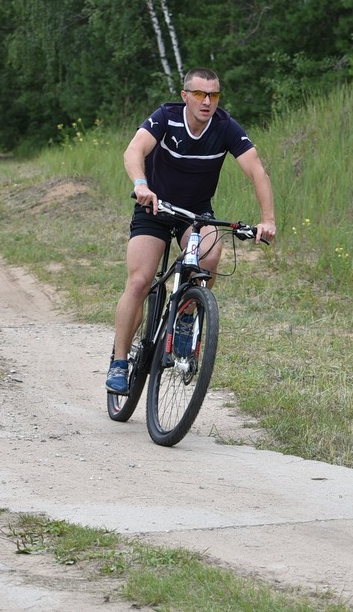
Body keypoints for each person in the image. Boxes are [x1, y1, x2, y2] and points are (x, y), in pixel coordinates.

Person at [106, 67, 276, 394]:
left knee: (211, 254)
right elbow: (134, 150)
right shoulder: (166, 118)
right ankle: (120, 361)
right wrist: (141, 185)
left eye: (213, 95)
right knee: (140, 281)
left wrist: (267, 219)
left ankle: (186, 318)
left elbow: (257, 171)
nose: (207, 101)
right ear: (185, 96)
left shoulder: (225, 127)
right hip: (154, 207)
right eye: (199, 94)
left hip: (195, 214)